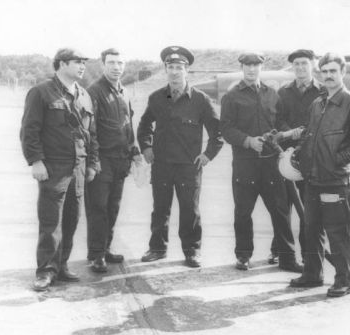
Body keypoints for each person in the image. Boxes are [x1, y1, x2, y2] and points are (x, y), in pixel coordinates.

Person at [289, 53, 350, 297]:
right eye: (324, 71)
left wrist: (337, 161)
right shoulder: (318, 103)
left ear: (342, 73)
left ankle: (345, 280)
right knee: (311, 228)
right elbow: (311, 137)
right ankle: (312, 274)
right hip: (313, 180)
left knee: (339, 232)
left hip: (335, 181)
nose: (328, 76)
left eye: (333, 71)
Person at [20, 48, 100, 291]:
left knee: (71, 220)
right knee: (50, 221)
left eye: (84, 62)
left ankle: (62, 264)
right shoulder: (41, 92)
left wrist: (93, 163)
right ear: (62, 64)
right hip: (53, 166)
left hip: (78, 167)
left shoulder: (84, 95)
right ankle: (45, 270)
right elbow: (29, 131)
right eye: (77, 62)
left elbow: (92, 134)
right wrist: (36, 161)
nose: (82, 66)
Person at [137, 46, 223, 268]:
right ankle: (157, 248)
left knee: (189, 210)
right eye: (170, 67)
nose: (174, 72)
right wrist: (146, 148)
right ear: (165, 70)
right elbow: (144, 125)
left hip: (188, 166)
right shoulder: (156, 98)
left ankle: (192, 251)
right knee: (160, 209)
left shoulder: (200, 100)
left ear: (187, 72)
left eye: (179, 68)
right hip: (162, 165)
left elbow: (217, 132)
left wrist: (207, 155)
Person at [220, 52, 302, 272]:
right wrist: (247, 141)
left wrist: (288, 133)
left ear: (261, 68)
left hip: (270, 164)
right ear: (242, 68)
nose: (251, 69)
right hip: (245, 164)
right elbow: (226, 129)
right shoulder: (231, 97)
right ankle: (243, 256)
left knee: (281, 211)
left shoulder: (272, 94)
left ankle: (287, 258)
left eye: (255, 65)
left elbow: (279, 121)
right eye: (247, 65)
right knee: (243, 212)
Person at [85, 48, 142, 273]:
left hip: (120, 160)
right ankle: (96, 255)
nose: (117, 67)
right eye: (112, 63)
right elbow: (91, 129)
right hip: (102, 160)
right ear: (103, 65)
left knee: (113, 208)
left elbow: (128, 127)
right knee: (98, 208)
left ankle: (105, 248)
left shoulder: (123, 92)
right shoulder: (94, 91)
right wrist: (93, 160)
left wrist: (134, 152)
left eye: (120, 63)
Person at [269, 49, 325, 265]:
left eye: (304, 63)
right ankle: (280, 250)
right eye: (296, 64)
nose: (300, 68)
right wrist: (291, 132)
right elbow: (277, 120)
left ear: (312, 65)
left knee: (308, 209)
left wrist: (306, 135)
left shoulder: (322, 92)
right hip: (286, 158)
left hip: (311, 159)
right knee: (282, 207)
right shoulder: (283, 92)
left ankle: (308, 254)